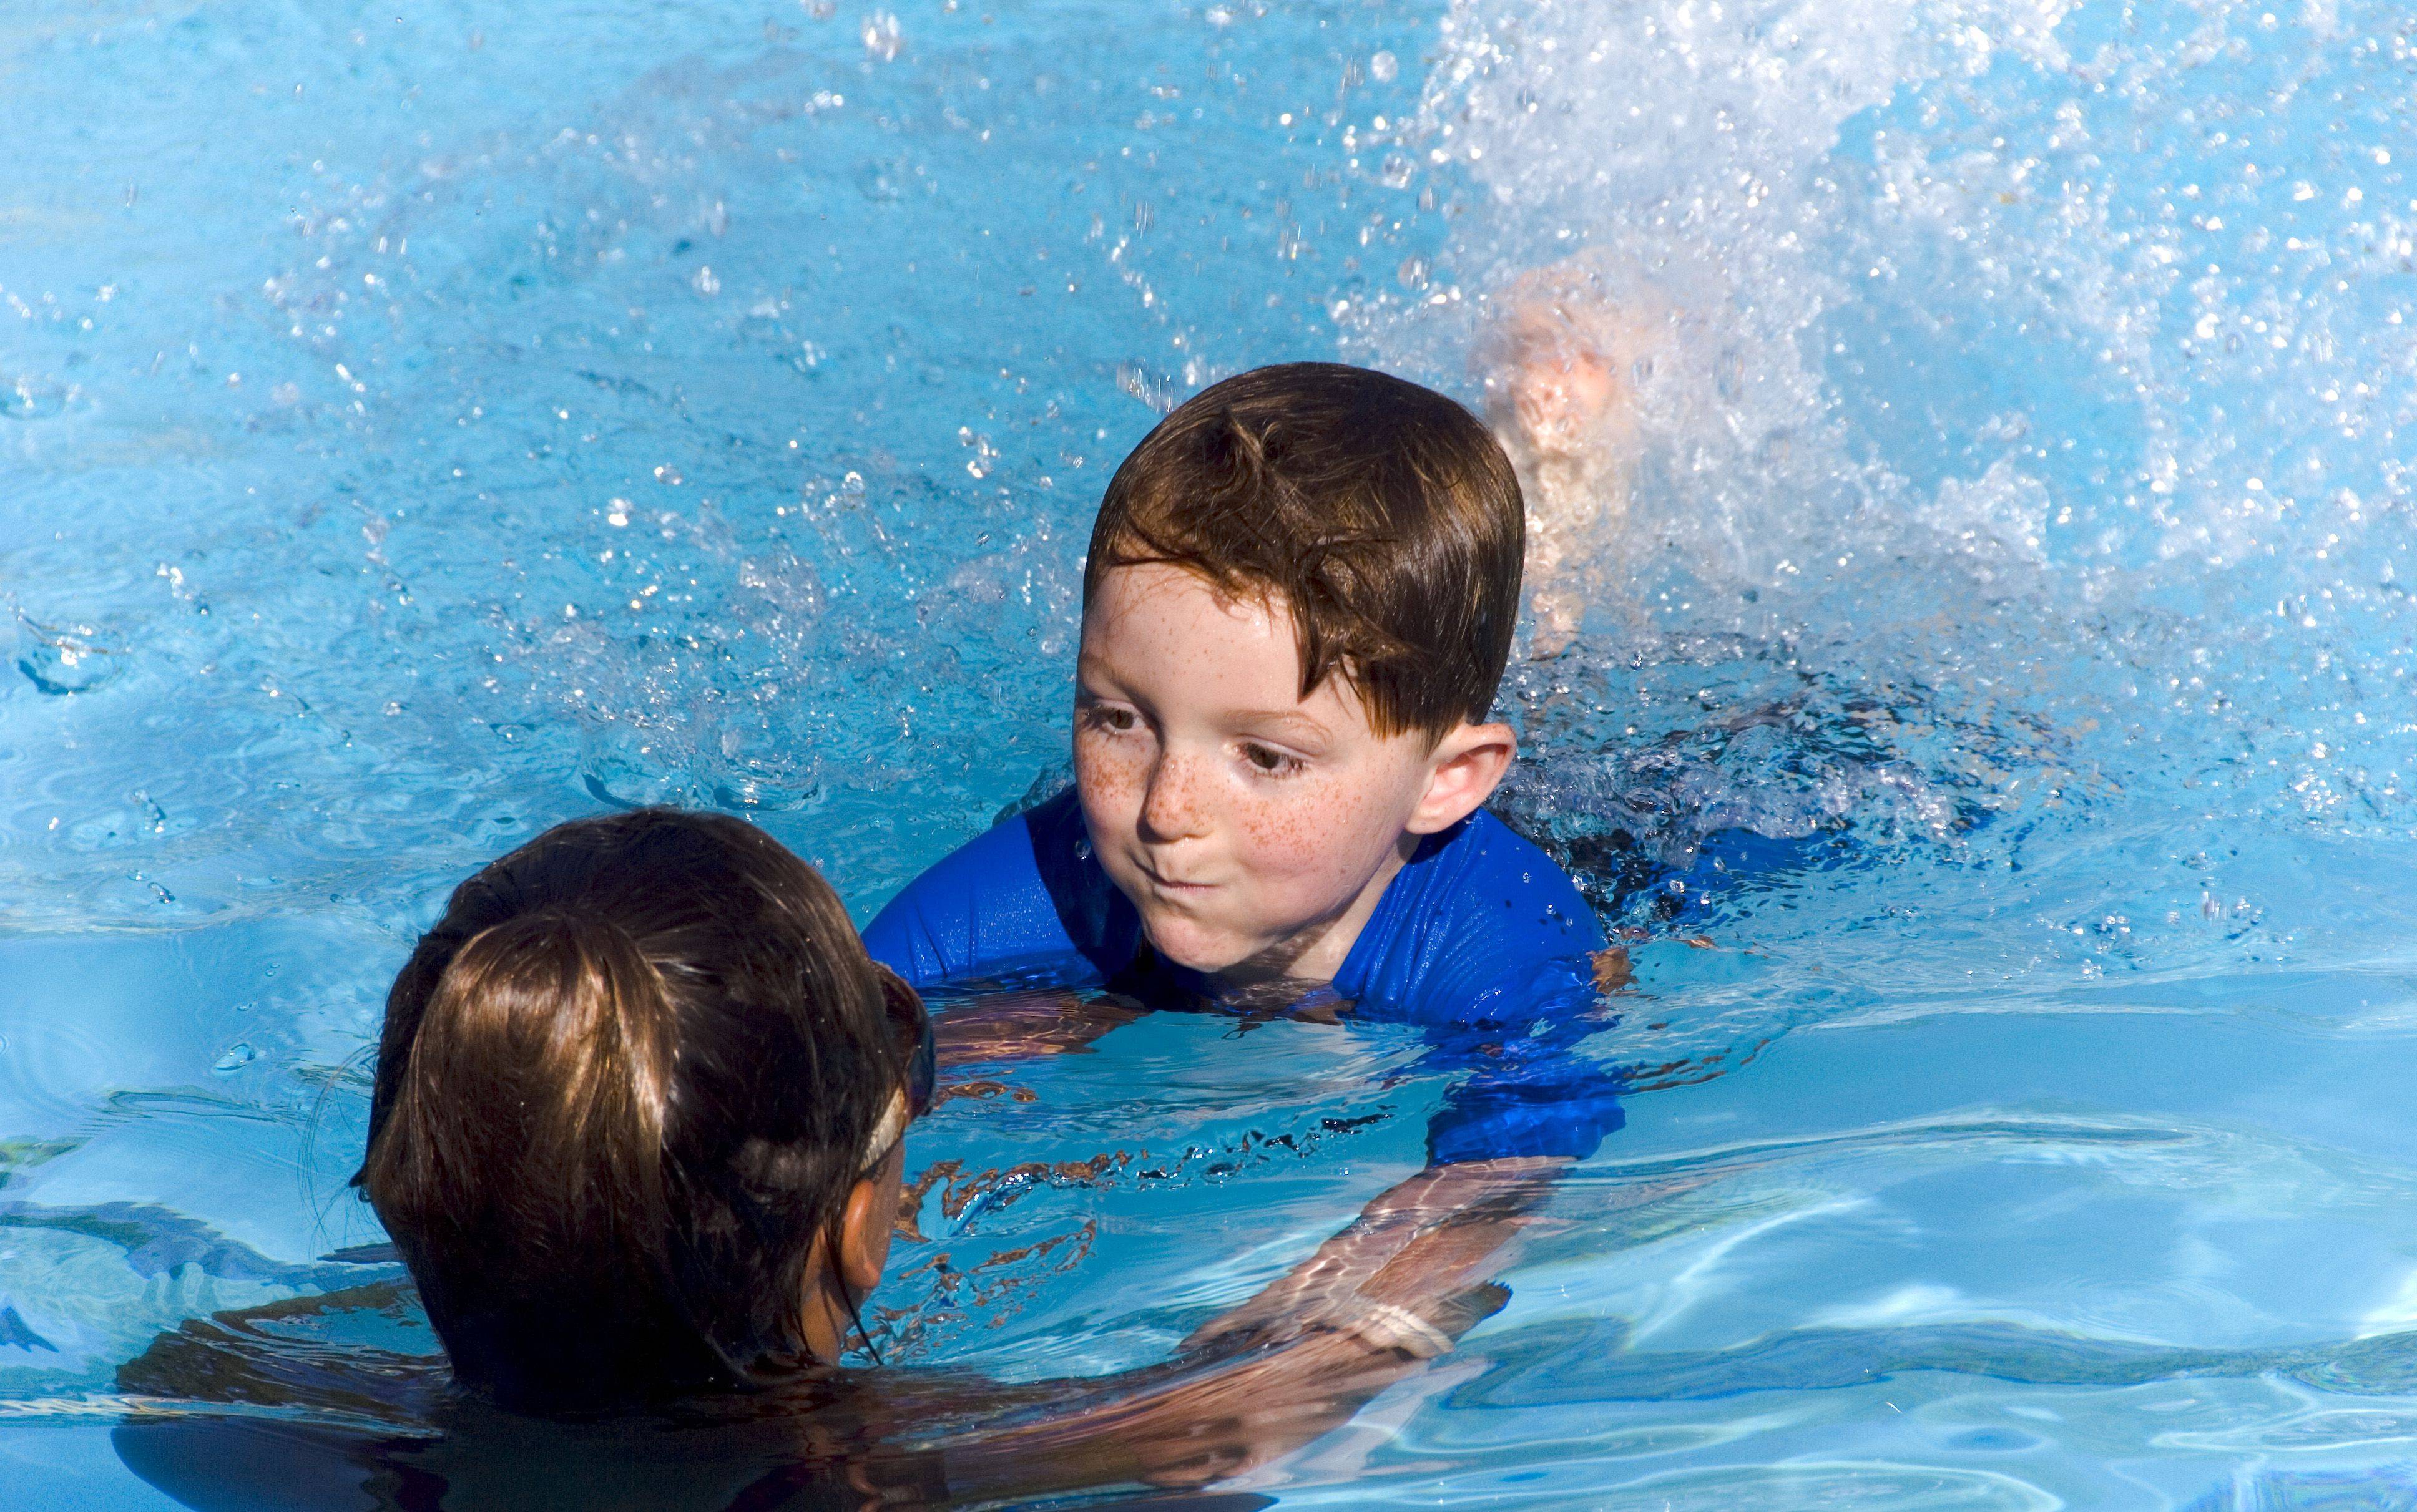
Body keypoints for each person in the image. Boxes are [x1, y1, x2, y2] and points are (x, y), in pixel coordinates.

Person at [112, 808, 1510, 1509]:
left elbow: (176, 1378)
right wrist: (1493, 1177)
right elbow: (1295, 1383)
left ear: (414, 1202)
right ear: (857, 1229)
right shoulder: (928, 1474)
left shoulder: (257, 1438)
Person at [863, 363, 1628, 1355]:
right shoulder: (1042, 886)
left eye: (1265, 756)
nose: (1166, 810)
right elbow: (822, 1058)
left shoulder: (1497, 940)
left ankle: (1557, 456)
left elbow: (1515, 1163)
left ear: (1449, 782)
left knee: (1556, 669)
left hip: (1618, 826)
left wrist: (1336, 1313)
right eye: (1119, 719)